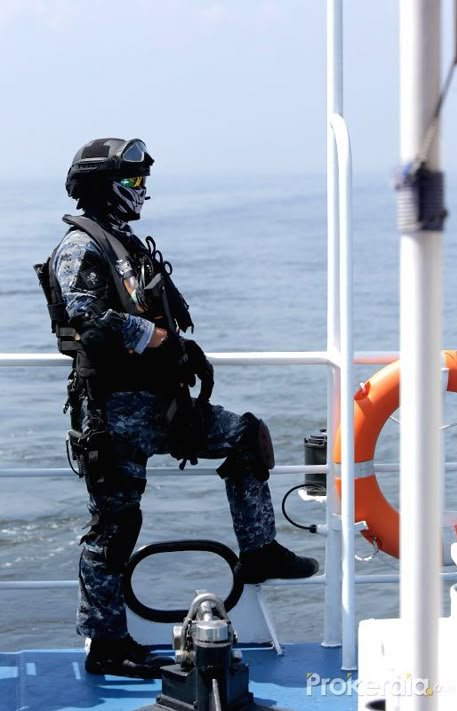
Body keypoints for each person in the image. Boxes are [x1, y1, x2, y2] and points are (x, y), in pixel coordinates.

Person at [35, 137, 318, 679]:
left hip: (160, 407)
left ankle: (259, 550)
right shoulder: (80, 247)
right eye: (133, 181)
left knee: (245, 437)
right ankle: (106, 646)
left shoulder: (122, 243)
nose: (142, 190)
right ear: (104, 186)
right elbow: (88, 318)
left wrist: (184, 350)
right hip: (115, 417)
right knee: (114, 529)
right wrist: (158, 339)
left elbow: (151, 317)